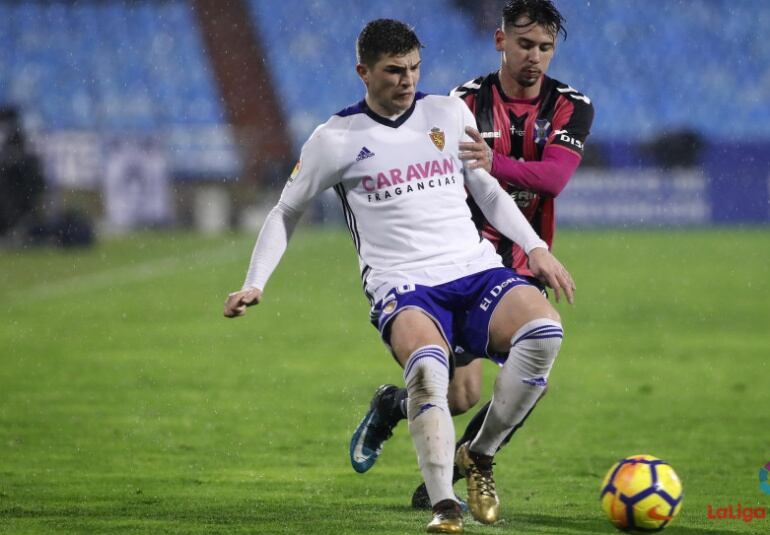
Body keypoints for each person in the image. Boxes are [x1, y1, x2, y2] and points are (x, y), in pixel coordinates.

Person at [224, 18, 575, 534]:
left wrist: (535, 247)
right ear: (363, 72)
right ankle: (445, 508)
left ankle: (479, 454)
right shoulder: (336, 138)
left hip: (474, 269)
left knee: (544, 333)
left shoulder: (448, 113)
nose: (407, 80)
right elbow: (285, 210)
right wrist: (256, 281)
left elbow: (487, 191)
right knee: (431, 372)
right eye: (393, 71)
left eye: (413, 68)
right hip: (402, 283)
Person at [348, 0, 594, 515]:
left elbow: (553, 179)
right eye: (525, 44)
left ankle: (472, 465)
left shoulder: (572, 105)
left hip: (521, 258)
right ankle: (393, 405)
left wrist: (495, 162)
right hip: (463, 259)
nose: (535, 57)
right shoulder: (460, 101)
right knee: (459, 396)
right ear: (501, 42)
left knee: (529, 375)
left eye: (545, 47)